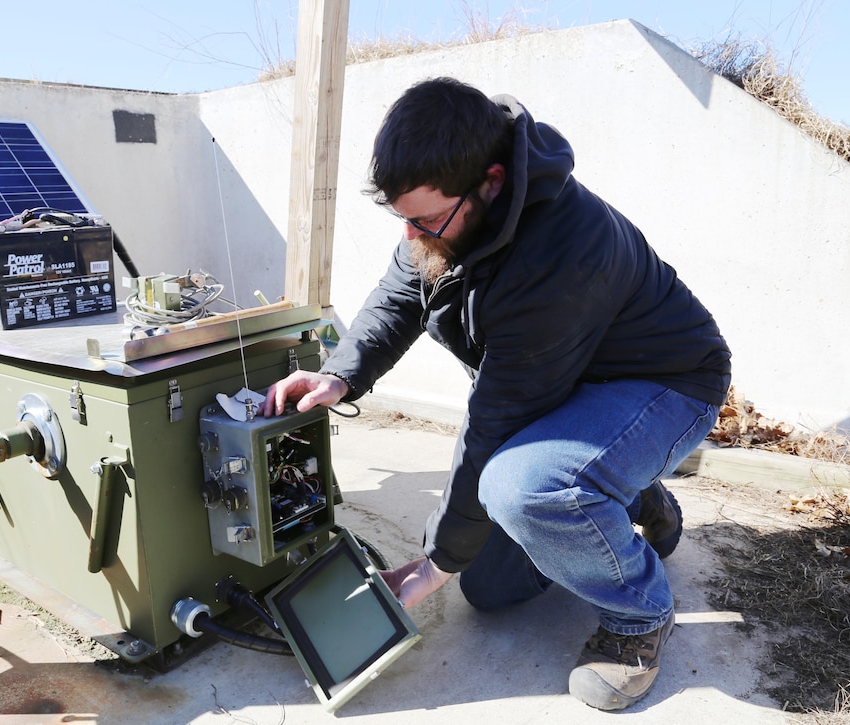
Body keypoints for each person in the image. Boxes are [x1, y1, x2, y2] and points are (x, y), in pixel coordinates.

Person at [260, 77, 731, 711]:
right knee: (489, 588)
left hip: (665, 383)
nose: (409, 236)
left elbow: (496, 424)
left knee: (520, 487)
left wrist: (433, 564)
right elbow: (401, 295)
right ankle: (624, 488)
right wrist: (339, 373)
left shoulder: (562, 253)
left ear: (491, 180)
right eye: (401, 218)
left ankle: (638, 614)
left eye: (424, 220)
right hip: (572, 386)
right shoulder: (449, 216)